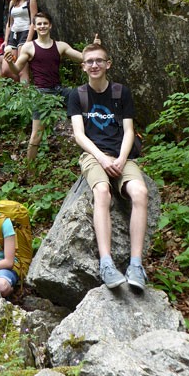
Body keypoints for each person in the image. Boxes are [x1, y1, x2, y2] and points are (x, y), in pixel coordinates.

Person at [68, 42, 149, 291]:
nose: (94, 65)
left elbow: (128, 131)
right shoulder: (77, 95)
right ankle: (106, 263)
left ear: (108, 64)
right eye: (90, 61)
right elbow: (80, 136)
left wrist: (121, 160)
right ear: (83, 66)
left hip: (121, 155)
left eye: (99, 61)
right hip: (94, 156)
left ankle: (136, 265)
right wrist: (102, 159)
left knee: (140, 193)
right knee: (102, 191)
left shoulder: (120, 92)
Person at [4, 11, 84, 160]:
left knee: (82, 96)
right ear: (34, 27)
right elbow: (16, 69)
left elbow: (83, 58)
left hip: (59, 90)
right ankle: (30, 170)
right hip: (41, 93)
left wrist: (94, 48)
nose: (42, 26)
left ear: (50, 25)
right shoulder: (29, 47)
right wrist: (9, 62)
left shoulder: (60, 46)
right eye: (39, 24)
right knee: (36, 136)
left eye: (45, 23)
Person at [0, 0, 38, 82]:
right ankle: (22, 85)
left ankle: (25, 95)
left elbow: (33, 22)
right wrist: (6, 41)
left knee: (22, 70)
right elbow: (9, 24)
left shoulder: (31, 0)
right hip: (13, 35)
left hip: (25, 34)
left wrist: (28, 41)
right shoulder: (13, 1)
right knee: (6, 69)